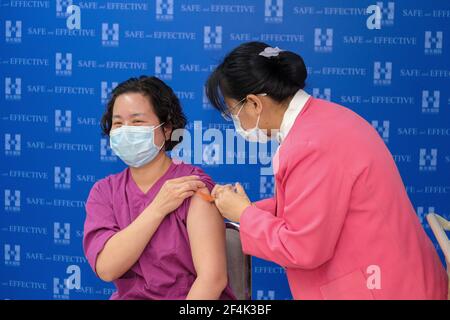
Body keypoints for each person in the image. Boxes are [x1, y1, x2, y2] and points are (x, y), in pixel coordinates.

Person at [205, 41, 448, 300]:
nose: (236, 123)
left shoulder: (311, 145)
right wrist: (245, 209)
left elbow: (303, 247)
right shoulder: (326, 119)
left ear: (254, 103)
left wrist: (244, 214)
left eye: (233, 113)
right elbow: (316, 208)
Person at [83, 76, 235, 300]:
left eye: (137, 122)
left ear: (166, 129)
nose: (126, 131)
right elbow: (106, 268)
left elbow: (212, 279)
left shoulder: (192, 185)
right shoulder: (104, 191)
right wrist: (157, 209)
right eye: (118, 123)